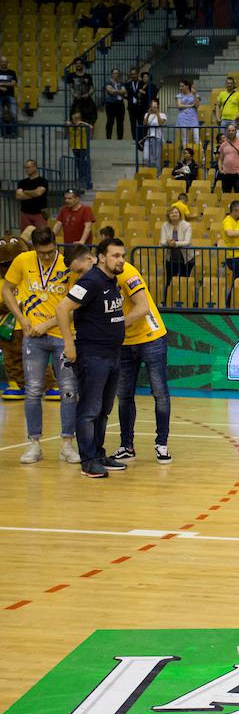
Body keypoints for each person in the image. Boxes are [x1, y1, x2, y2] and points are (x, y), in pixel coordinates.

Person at [56, 238, 135, 478]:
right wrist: (69, 343)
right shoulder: (90, 281)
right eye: (115, 255)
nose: (120, 260)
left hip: (112, 355)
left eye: (122, 255)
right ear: (101, 257)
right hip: (93, 356)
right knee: (89, 410)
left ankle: (99, 454)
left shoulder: (113, 282)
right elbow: (62, 309)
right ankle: (88, 460)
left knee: (103, 410)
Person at [3, 227, 79, 465]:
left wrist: (47, 324)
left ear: (56, 245)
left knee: (68, 390)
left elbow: (77, 302)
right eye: (42, 253)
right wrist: (21, 318)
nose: (47, 257)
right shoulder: (22, 260)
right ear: (33, 248)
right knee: (33, 390)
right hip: (32, 337)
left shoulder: (68, 263)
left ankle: (67, 444)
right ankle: (34, 444)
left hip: (63, 335)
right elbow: (6, 289)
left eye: (50, 252)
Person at [16, 159, 50, 229]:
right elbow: (18, 196)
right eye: (25, 167)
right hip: (25, 213)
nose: (26, 170)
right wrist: (34, 194)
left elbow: (38, 193)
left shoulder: (42, 181)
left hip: (39, 213)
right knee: (25, 237)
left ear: (35, 167)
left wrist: (25, 192)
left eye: (28, 167)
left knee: (41, 236)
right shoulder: (22, 182)